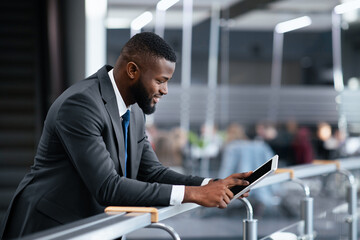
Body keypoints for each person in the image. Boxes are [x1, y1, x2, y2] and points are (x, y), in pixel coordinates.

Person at [0, 32, 251, 239]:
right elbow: (107, 186)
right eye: (161, 80)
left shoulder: (135, 111)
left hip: (89, 225)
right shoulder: (80, 105)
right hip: (50, 228)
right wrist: (192, 194)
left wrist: (210, 184)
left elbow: (152, 171)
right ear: (132, 70)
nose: (165, 90)